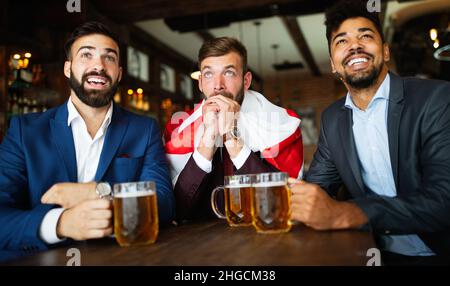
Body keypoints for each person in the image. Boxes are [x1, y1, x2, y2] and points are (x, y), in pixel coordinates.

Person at [289, 0, 450, 265]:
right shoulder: (332, 118)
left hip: (436, 252)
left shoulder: (435, 98)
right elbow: (318, 187)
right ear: (333, 64)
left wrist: (349, 213)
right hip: (371, 254)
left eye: (365, 35)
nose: (354, 45)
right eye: (341, 41)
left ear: (385, 51)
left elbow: (444, 200)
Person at [0, 22, 174, 254]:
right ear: (67, 68)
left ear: (119, 73)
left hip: (122, 258)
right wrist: (60, 223)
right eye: (86, 55)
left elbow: (163, 203)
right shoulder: (25, 131)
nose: (99, 66)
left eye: (109, 58)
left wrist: (99, 191)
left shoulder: (144, 129)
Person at [164, 37, 303, 220]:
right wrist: (207, 139)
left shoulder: (282, 122)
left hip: (265, 233)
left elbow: (283, 201)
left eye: (228, 73)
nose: (217, 84)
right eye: (208, 74)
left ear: (246, 81)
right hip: (201, 242)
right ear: (200, 83)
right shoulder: (177, 129)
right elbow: (178, 211)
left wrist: (232, 138)